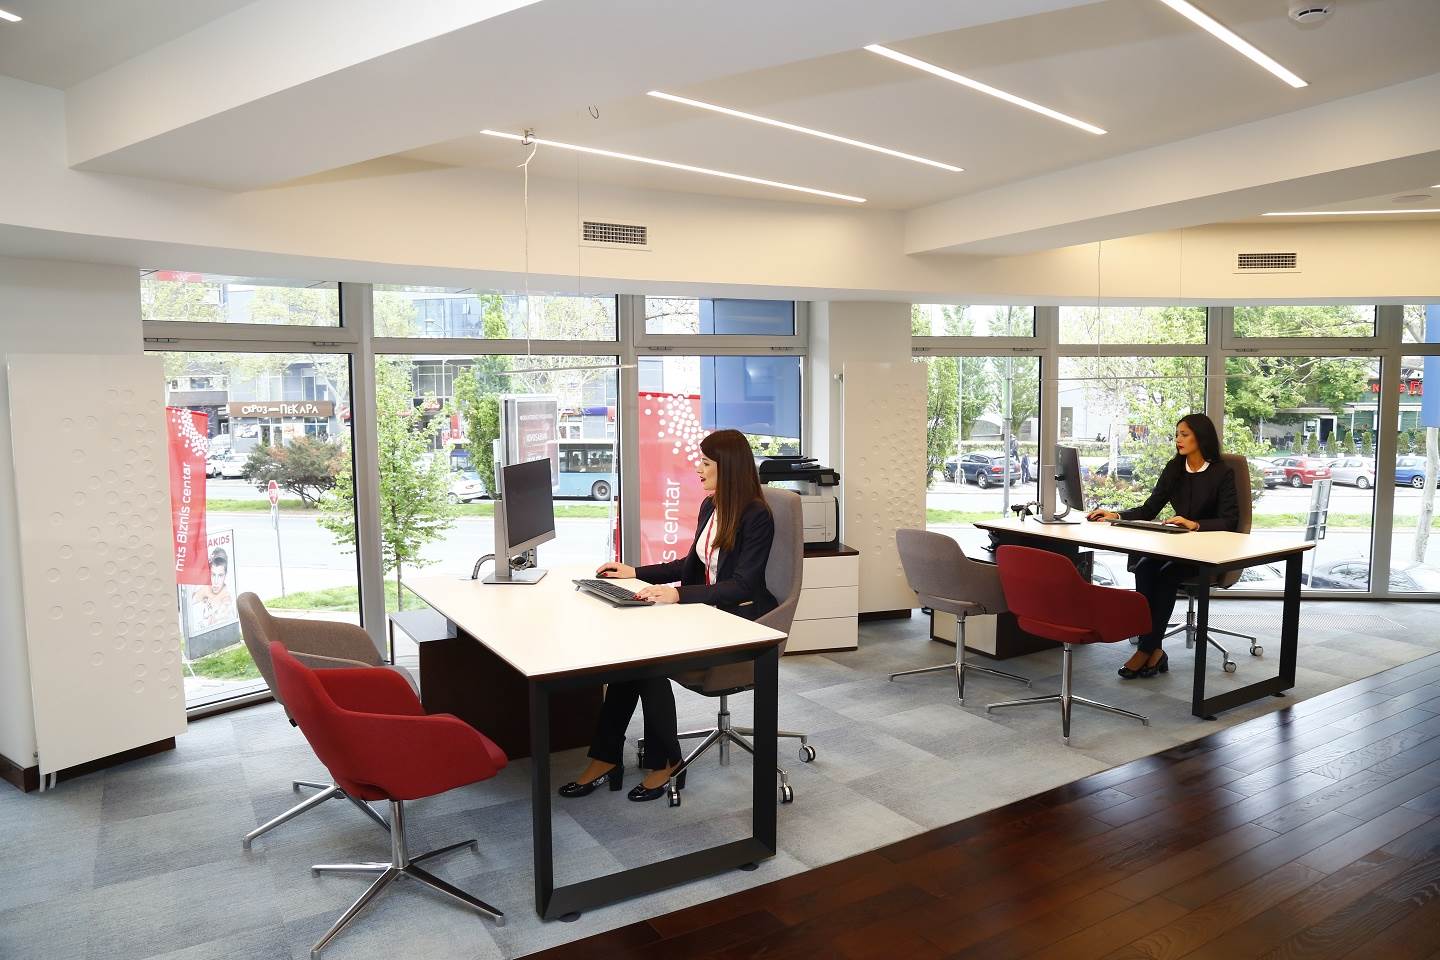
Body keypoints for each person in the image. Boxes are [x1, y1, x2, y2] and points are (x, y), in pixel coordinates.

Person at [558, 428, 777, 803]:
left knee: (648, 661)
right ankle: (606, 757)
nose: (698, 469)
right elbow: (689, 564)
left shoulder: (757, 516)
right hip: (706, 613)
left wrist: (678, 595)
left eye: (705, 463)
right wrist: (635, 572)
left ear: (727, 467)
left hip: (740, 623)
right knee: (630, 654)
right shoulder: (712, 506)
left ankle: (666, 761)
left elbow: (743, 585)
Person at [1086, 413, 1238, 679]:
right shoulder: (1174, 468)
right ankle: (1155, 650)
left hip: (1208, 550)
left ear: (1201, 438)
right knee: (1144, 567)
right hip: (1176, 546)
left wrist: (1195, 524)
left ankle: (1145, 650)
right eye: (1177, 434)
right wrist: (1116, 515)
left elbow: (1230, 520)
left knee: (1167, 575)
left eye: (1184, 435)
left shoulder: (1222, 472)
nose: (1178, 440)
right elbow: (1150, 508)